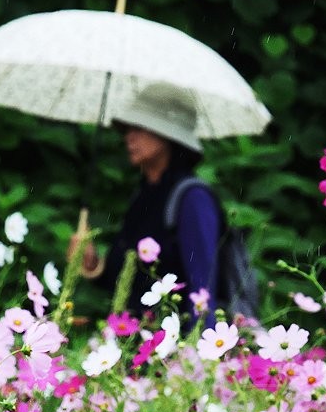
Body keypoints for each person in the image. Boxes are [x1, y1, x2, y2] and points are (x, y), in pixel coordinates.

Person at [69, 86, 222, 322]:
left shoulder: (193, 198)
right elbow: (128, 282)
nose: (129, 137)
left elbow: (203, 290)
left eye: (139, 127)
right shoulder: (144, 194)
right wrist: (92, 264)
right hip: (135, 343)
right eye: (128, 128)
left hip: (173, 346)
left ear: (168, 134)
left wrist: (195, 354)